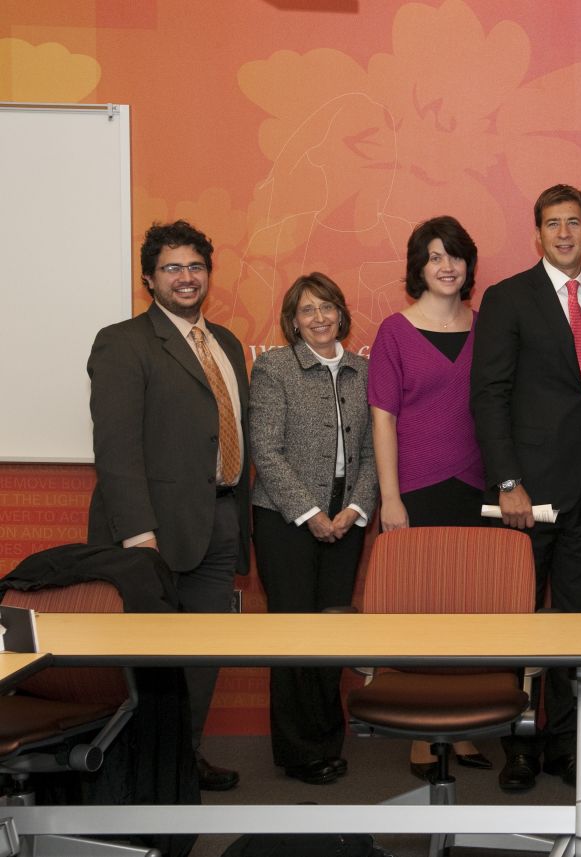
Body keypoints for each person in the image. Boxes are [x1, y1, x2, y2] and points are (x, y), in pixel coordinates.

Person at [471, 184, 581, 791]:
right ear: (538, 234)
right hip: (526, 497)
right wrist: (507, 480)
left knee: (578, 627)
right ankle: (516, 743)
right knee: (518, 624)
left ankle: (566, 745)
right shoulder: (508, 298)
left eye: (575, 224)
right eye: (553, 224)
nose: (564, 234)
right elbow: (490, 395)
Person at [87, 220, 248, 791]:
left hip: (219, 521)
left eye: (196, 266)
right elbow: (116, 448)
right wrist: (139, 536)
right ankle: (138, 774)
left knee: (202, 660)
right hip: (152, 536)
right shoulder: (123, 342)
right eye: (172, 268)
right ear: (149, 280)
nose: (186, 277)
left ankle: (184, 759)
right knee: (148, 666)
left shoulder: (226, 343)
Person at [368, 215, 491, 778]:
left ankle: (462, 728)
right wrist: (389, 499)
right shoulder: (395, 331)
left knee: (471, 608)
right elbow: (383, 420)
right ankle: (421, 735)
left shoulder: (487, 326)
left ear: (468, 266)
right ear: (418, 267)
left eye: (456, 256)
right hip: (414, 490)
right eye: (434, 257)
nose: (446, 266)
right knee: (419, 610)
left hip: (476, 486)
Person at [249, 272, 377, 785]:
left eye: (327, 307)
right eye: (307, 310)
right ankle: (299, 751)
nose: (319, 318)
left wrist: (355, 509)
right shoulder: (274, 367)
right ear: (292, 320)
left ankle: (328, 739)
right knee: (295, 635)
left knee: (332, 632)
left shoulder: (364, 371)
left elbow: (372, 451)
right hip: (285, 521)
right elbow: (265, 449)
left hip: (347, 519)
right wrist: (310, 513)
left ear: (341, 313)